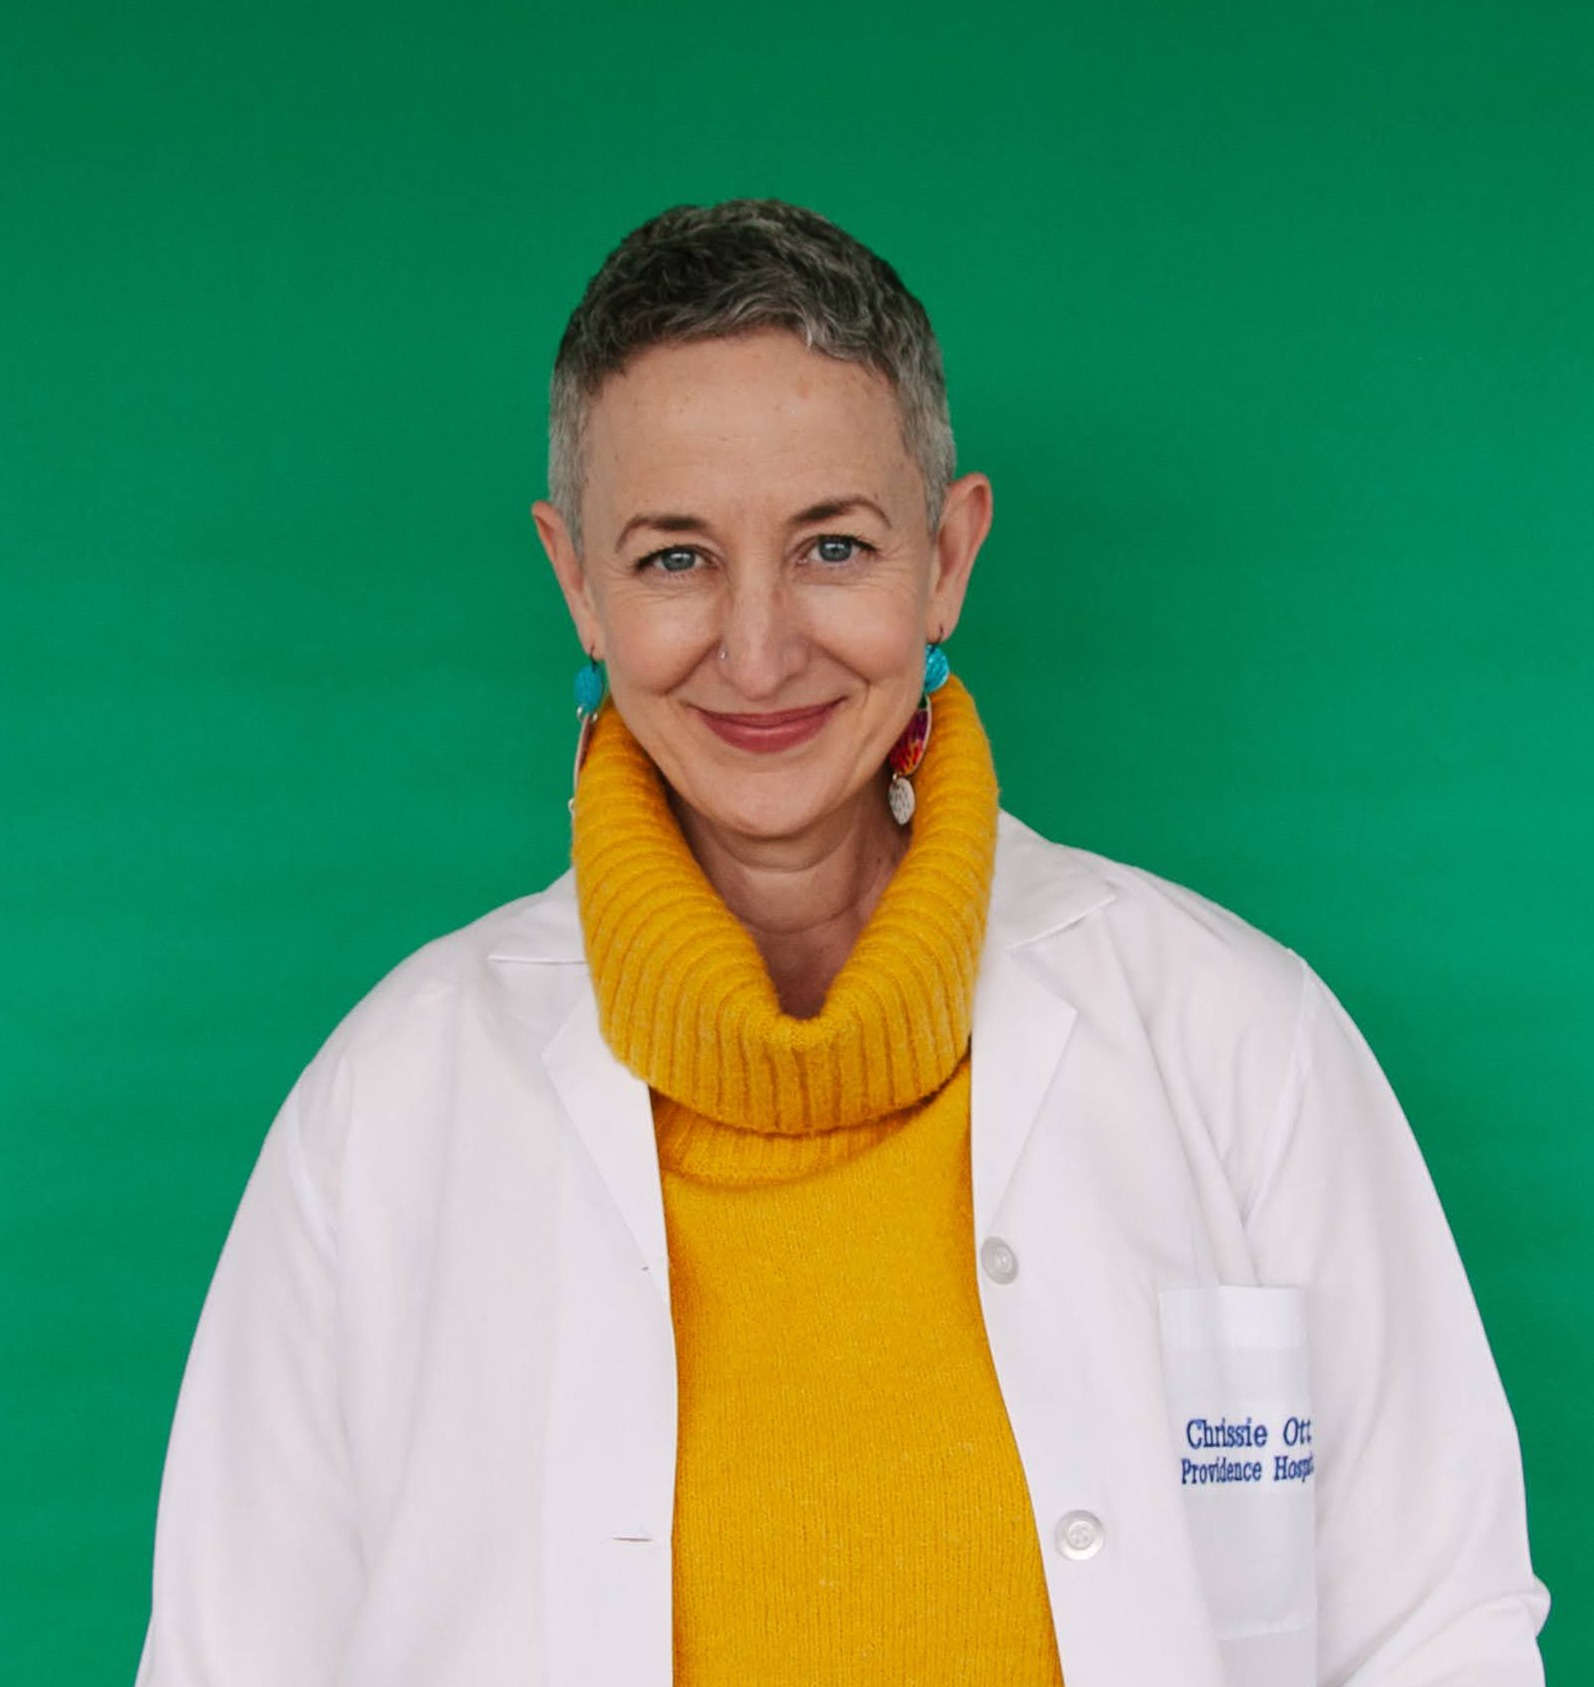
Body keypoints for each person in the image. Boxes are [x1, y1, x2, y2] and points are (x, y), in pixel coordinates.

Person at [136, 199, 1548, 1687]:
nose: (758, 651)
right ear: (577, 584)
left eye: (832, 545)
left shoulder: (1236, 1039)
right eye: (674, 559)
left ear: (946, 557)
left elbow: (1438, 1631)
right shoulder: (388, 1108)